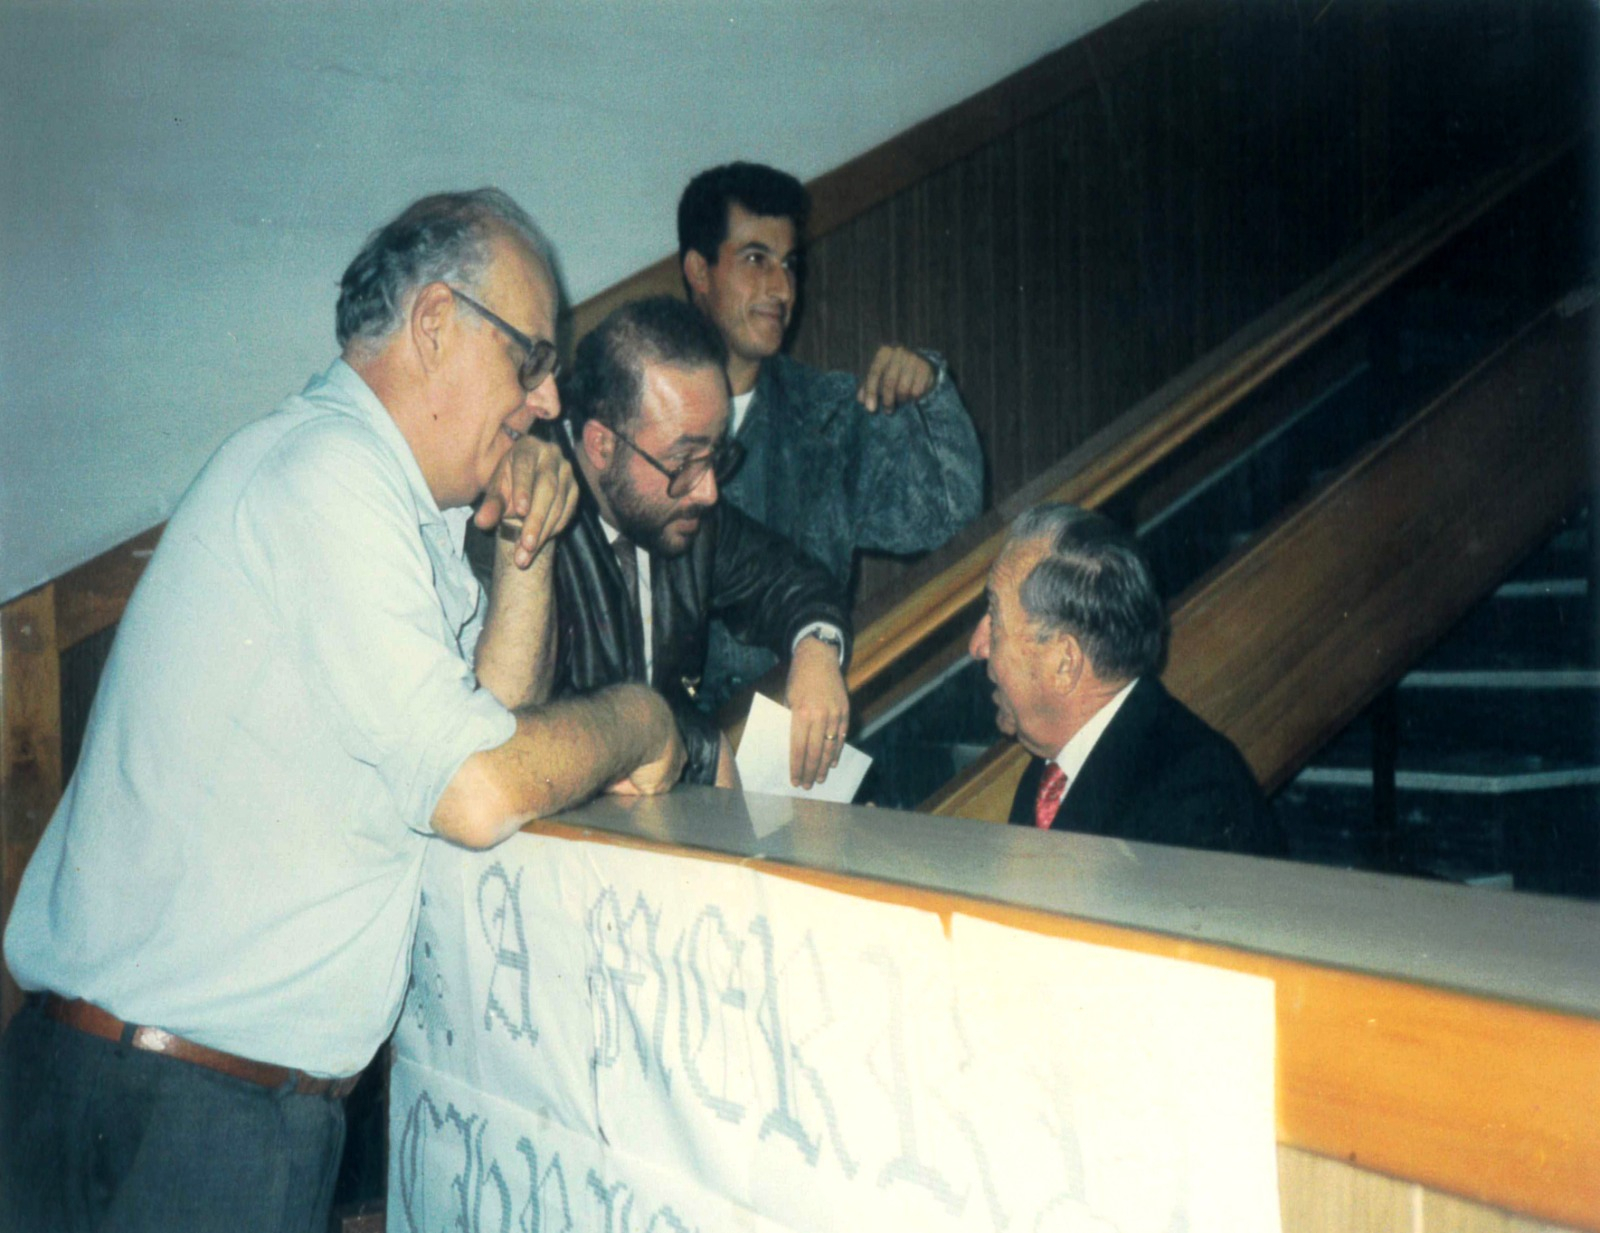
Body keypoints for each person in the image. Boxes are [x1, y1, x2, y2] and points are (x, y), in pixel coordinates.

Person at [1, 189, 683, 1233]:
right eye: (531, 360)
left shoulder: (385, 505)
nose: (546, 403)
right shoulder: (325, 476)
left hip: (189, 1101)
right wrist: (643, 719)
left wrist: (524, 548)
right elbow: (479, 789)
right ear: (435, 326)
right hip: (179, 1118)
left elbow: (483, 725)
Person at [468, 295, 852, 790]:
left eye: (716, 455)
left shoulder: (685, 510)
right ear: (602, 445)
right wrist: (695, 744)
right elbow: (535, 725)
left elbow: (789, 580)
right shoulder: (519, 512)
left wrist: (818, 650)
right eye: (686, 461)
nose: (709, 490)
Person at [677, 161, 985, 707]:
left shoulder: (828, 417)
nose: (780, 287)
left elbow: (949, 515)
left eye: (789, 264)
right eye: (755, 259)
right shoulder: (638, 409)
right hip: (666, 749)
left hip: (793, 727)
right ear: (699, 272)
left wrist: (930, 395)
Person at [969, 502, 1284, 855]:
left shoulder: (1193, 796)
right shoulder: (1049, 773)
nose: (977, 645)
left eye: (994, 619)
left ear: (1064, 663)